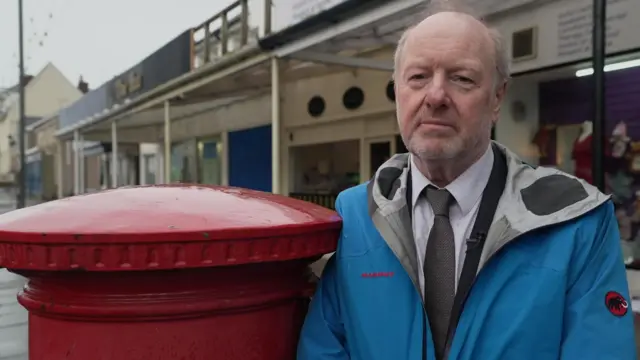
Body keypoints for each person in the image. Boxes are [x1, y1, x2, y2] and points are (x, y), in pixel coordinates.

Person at [296, 1, 637, 359]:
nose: (436, 96)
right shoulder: (356, 216)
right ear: (397, 90)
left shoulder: (576, 222)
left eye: (462, 78)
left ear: (497, 97)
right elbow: (325, 349)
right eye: (418, 77)